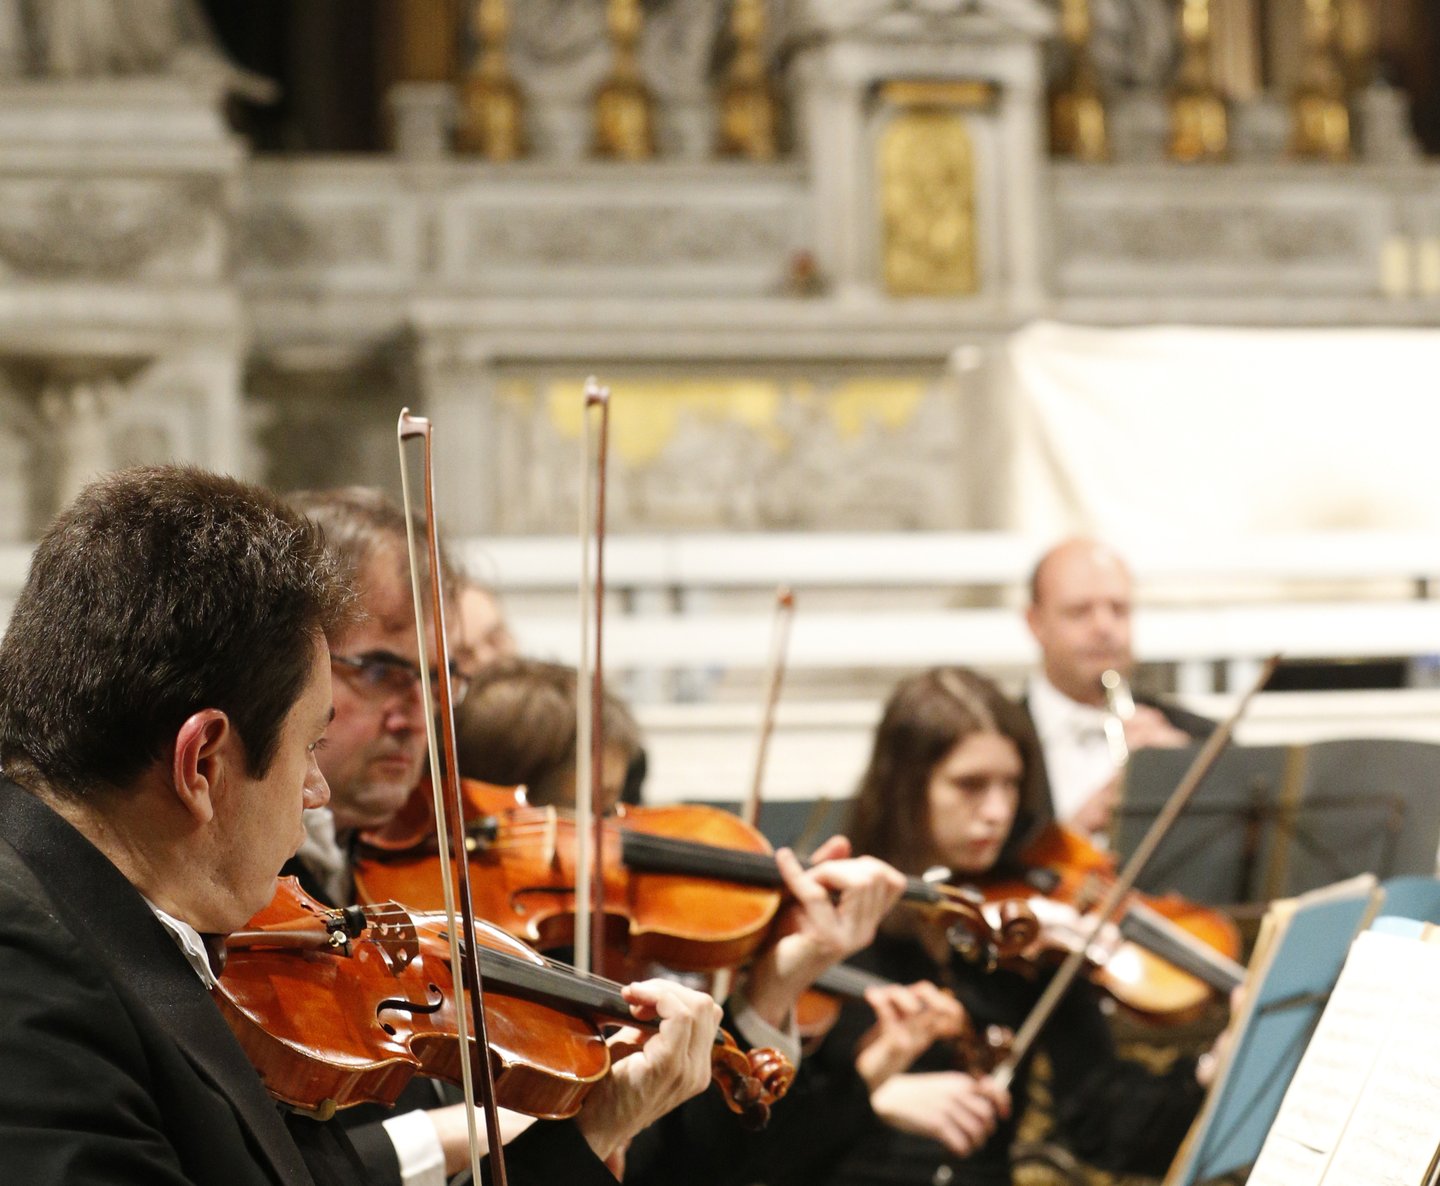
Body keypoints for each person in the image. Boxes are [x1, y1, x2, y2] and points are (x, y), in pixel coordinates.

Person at [0, 466, 720, 1186]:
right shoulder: (33, 974)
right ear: (203, 764)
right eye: (310, 746)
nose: (316, 794)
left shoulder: (97, 929)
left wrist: (590, 1128)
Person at [819, 666, 1214, 1186]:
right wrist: (872, 1094)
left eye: (1010, 784)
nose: (998, 811)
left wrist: (1207, 1075)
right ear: (905, 789)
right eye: (970, 786)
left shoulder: (1021, 933)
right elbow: (765, 1138)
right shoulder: (832, 925)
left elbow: (1104, 1122)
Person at [1022, 538, 1213, 838]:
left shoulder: (1203, 738)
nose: (1104, 627)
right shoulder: (992, 737)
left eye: (1119, 609)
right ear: (1035, 622)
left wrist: (1185, 770)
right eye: (1079, 611)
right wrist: (1071, 840)